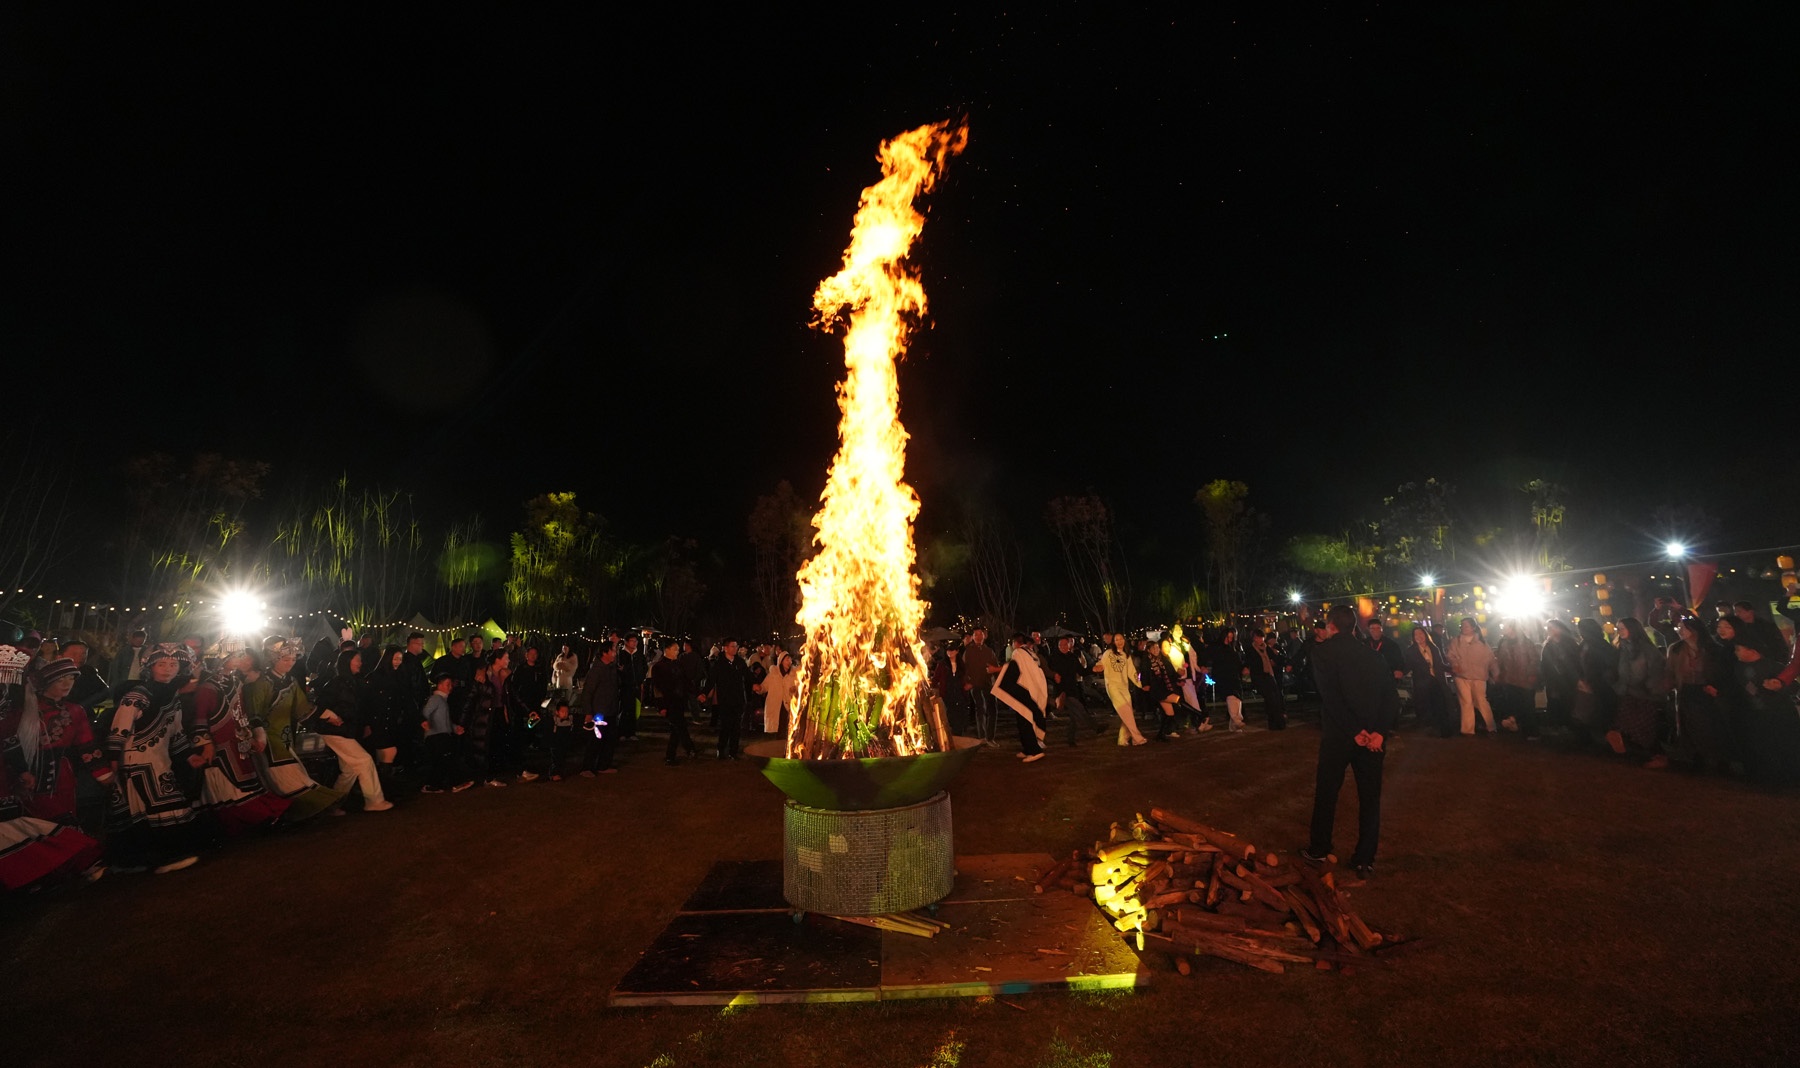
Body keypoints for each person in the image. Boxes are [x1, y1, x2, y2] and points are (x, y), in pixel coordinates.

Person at [1302, 605, 1397, 878]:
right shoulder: (1373, 656)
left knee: (1327, 792)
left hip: (1339, 735)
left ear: (1331, 626)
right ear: (1354, 627)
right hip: (1372, 737)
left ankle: (1319, 848)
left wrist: (1356, 731)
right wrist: (1379, 732)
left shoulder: (1322, 653)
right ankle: (1365, 858)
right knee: (1370, 797)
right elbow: (1390, 697)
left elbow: (1331, 697)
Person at [104, 644, 208, 873]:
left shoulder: (173, 697)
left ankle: (157, 857)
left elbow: (176, 732)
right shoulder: (137, 695)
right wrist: (113, 759)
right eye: (161, 664)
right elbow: (119, 727)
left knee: (163, 805)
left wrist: (189, 755)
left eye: (173, 664)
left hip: (159, 760)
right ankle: (162, 858)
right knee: (156, 806)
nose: (167, 669)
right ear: (150, 667)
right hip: (135, 761)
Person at [1, 656, 110, 827]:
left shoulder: (75, 711)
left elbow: (87, 747)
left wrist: (104, 775)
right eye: (60, 680)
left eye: (71, 678)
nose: (67, 684)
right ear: (47, 683)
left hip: (59, 780)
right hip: (20, 779)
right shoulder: (22, 709)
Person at [193, 645, 291, 834]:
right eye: (234, 656)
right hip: (219, 743)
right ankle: (254, 818)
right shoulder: (208, 687)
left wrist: (250, 737)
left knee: (248, 780)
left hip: (238, 740)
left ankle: (262, 816)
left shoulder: (235, 682)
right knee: (230, 784)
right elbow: (199, 718)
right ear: (221, 658)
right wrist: (205, 744)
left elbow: (241, 714)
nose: (239, 659)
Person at [245, 641, 345, 821]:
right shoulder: (261, 683)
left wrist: (327, 715)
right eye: (285, 659)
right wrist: (259, 734)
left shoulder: (290, 682)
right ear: (274, 659)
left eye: (292, 659)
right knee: (284, 777)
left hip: (284, 737)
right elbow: (254, 712)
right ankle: (303, 808)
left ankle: (310, 806)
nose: (290, 663)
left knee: (291, 775)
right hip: (268, 739)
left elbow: (302, 708)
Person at [309, 650, 393, 812]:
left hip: (343, 730)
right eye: (357, 660)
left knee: (349, 770)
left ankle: (332, 805)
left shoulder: (352, 682)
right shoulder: (337, 683)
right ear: (347, 662)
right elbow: (319, 705)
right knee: (364, 761)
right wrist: (330, 717)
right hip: (335, 731)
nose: (360, 663)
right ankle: (374, 801)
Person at [1669, 617, 1733, 772]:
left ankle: (1718, 759)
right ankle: (1695, 757)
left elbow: (1723, 673)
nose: (1680, 631)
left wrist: (1716, 687)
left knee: (1710, 726)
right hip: (1686, 689)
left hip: (1707, 691)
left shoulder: (1713, 649)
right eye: (1679, 627)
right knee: (1688, 725)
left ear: (1695, 630)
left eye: (1684, 627)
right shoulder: (1676, 649)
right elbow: (1670, 671)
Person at [1731, 640, 1800, 784]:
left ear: (1753, 650)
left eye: (1739, 649)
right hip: (1757, 713)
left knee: (1781, 744)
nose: (1736, 652)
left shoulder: (1773, 666)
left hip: (1778, 713)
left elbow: (1793, 684)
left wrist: (1779, 685)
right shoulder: (1738, 668)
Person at [1614, 617, 1671, 767]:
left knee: (1644, 728)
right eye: (1618, 628)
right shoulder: (1623, 648)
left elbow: (1655, 671)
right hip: (1629, 693)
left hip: (1645, 694)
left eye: (1623, 628)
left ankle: (1658, 756)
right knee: (1628, 726)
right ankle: (1641, 755)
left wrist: (1650, 688)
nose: (1620, 631)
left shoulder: (1648, 649)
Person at [992, 633, 1049, 762]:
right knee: (1022, 719)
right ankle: (1027, 749)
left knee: (1025, 720)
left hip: (1025, 691)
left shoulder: (1018, 652)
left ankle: (1035, 751)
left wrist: (996, 671)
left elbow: (1014, 669)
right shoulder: (1030, 653)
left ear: (1015, 642)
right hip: (1033, 689)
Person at [364, 646, 412, 793]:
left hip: (392, 721)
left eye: (400, 659)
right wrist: (367, 723)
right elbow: (368, 702)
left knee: (386, 753)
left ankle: (383, 787)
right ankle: (384, 787)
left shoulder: (399, 676)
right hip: (379, 721)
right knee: (387, 752)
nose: (398, 662)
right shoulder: (375, 677)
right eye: (395, 659)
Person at [418, 675, 473, 793]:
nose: (450, 687)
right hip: (437, 735)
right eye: (448, 684)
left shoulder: (441, 700)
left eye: (451, 685)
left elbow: (444, 720)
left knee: (442, 761)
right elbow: (425, 712)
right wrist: (424, 721)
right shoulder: (437, 699)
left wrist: (455, 728)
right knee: (448, 758)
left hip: (439, 735)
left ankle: (433, 785)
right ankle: (456, 782)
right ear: (440, 685)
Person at [1574, 618, 1621, 750]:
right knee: (1588, 715)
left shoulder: (1600, 646)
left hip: (1600, 686)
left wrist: (1594, 681)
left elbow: (1607, 667)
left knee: (1599, 715)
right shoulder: (1585, 645)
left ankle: (1604, 743)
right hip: (1588, 684)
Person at [1046, 636, 1101, 745]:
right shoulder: (1053, 658)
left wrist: (1093, 669)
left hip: (1072, 689)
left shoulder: (1072, 657)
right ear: (1058, 646)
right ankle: (1096, 727)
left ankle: (1071, 739)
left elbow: (1081, 671)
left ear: (1069, 645)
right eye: (1061, 645)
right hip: (1062, 692)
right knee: (1079, 708)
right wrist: (1054, 676)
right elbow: (1049, 673)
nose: (1063, 647)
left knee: (1074, 716)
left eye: (1065, 644)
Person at [1491, 620, 1542, 738]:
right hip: (1509, 680)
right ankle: (1518, 727)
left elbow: (1534, 660)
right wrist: (1499, 674)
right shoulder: (1504, 643)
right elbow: (1500, 660)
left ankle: (1531, 731)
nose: (1503, 628)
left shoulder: (1526, 643)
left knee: (1527, 706)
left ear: (1512, 628)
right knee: (1514, 704)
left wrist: (1531, 674)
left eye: (1506, 626)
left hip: (1525, 680)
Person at [1447, 617, 1498, 735]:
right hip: (1461, 676)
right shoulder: (1456, 641)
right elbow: (1450, 655)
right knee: (1466, 703)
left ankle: (1491, 726)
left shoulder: (1482, 643)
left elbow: (1491, 660)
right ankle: (1467, 730)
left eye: (1466, 625)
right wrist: (1455, 664)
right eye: (1462, 625)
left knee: (1481, 701)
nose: (1463, 628)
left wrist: (1496, 673)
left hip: (1479, 677)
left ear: (1473, 627)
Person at [1097, 633, 1149, 746]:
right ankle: (1137, 737)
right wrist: (1098, 667)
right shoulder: (1108, 653)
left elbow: (1132, 672)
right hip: (1113, 687)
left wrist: (1140, 684)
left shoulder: (1126, 655)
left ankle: (1122, 739)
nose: (1119, 642)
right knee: (1126, 711)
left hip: (1124, 687)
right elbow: (1101, 663)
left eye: (1121, 639)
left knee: (1128, 713)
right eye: (1117, 640)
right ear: (1113, 642)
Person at [577, 641, 621, 775]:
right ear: (604, 653)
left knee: (609, 740)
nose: (615, 653)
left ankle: (603, 765)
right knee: (595, 741)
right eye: (613, 650)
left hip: (611, 710)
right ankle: (587, 768)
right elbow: (588, 692)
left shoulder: (612, 668)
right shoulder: (596, 670)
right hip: (598, 712)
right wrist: (588, 712)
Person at [652, 640, 697, 765]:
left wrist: (696, 693)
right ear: (667, 650)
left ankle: (686, 749)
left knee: (679, 726)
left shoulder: (678, 664)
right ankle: (674, 754)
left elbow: (686, 681)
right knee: (678, 727)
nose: (678, 651)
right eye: (675, 649)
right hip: (669, 702)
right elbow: (657, 689)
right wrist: (661, 706)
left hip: (679, 701)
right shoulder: (659, 667)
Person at [1404, 624, 1454, 737]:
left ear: (1426, 635)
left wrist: (1452, 669)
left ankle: (1444, 730)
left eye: (1421, 633)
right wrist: (1400, 672)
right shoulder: (1411, 651)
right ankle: (1429, 729)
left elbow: (1440, 664)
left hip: (1437, 680)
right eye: (1416, 634)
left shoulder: (1434, 648)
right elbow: (1408, 665)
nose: (1419, 636)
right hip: (1422, 683)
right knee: (1426, 707)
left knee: (1441, 705)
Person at [707, 640, 750, 760]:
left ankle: (733, 752)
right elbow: (711, 679)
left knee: (736, 727)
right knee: (725, 726)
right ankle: (721, 750)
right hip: (725, 700)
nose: (735, 648)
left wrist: (755, 685)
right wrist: (704, 693)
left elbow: (747, 676)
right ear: (725, 648)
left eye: (736, 646)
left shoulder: (739, 662)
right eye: (733, 646)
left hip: (738, 699)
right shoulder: (719, 664)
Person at [1540, 619, 1581, 730]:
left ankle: (1569, 727)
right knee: (1554, 704)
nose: (1549, 630)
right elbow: (1544, 665)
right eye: (1548, 628)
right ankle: (1556, 727)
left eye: (1552, 627)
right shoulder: (1548, 646)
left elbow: (1576, 663)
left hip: (1568, 681)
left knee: (1568, 705)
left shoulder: (1570, 644)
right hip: (1553, 682)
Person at [960, 629, 1000, 742]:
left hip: (988, 683)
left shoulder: (989, 651)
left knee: (992, 710)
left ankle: (990, 737)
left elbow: (995, 666)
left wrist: (997, 681)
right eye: (976, 635)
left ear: (984, 636)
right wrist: (968, 682)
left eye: (980, 634)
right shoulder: (968, 651)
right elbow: (964, 669)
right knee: (981, 709)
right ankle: (982, 737)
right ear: (972, 637)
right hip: (975, 685)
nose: (978, 637)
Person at [1245, 629, 1287, 730]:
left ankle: (1276, 722)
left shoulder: (1266, 648)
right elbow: (1248, 661)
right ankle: (1275, 721)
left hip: (1269, 675)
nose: (1259, 640)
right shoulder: (1251, 649)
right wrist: (1246, 668)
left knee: (1275, 697)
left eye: (1261, 638)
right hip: (1259, 676)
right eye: (1257, 638)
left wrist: (1277, 655)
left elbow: (1278, 658)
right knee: (1270, 698)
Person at [1208, 626, 1244, 732]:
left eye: (1231, 637)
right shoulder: (1218, 648)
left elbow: (1238, 662)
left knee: (1237, 698)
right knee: (1231, 697)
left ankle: (1234, 724)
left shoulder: (1233, 649)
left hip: (1234, 676)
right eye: (1228, 637)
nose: (1229, 639)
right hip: (1224, 677)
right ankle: (1236, 720)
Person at [1733, 601, 1791, 667]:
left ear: (1750, 612)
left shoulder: (1766, 626)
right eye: (1735, 612)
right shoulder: (1738, 628)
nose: (1736, 614)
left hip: (1770, 661)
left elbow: (1779, 644)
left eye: (1739, 611)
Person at [932, 643, 970, 738]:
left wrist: (968, 685)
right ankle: (952, 734)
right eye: (948, 650)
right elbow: (936, 678)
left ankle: (960, 733)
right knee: (950, 713)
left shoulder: (961, 664)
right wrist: (932, 687)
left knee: (960, 713)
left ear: (957, 651)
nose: (950, 652)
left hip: (960, 692)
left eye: (952, 650)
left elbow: (967, 676)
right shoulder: (942, 664)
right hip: (947, 692)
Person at [754, 652, 797, 736]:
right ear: (781, 661)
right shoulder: (773, 675)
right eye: (787, 660)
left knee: (788, 730)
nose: (789, 662)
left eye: (790, 660)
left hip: (788, 706)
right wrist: (759, 688)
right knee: (777, 730)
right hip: (775, 705)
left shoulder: (794, 675)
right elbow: (764, 687)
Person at [617, 635, 647, 741]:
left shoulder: (639, 655)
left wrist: (640, 679)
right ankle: (622, 732)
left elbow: (644, 668)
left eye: (636, 641)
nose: (634, 643)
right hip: (624, 686)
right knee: (624, 709)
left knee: (634, 709)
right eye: (632, 641)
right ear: (626, 642)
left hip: (636, 686)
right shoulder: (621, 654)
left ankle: (632, 732)